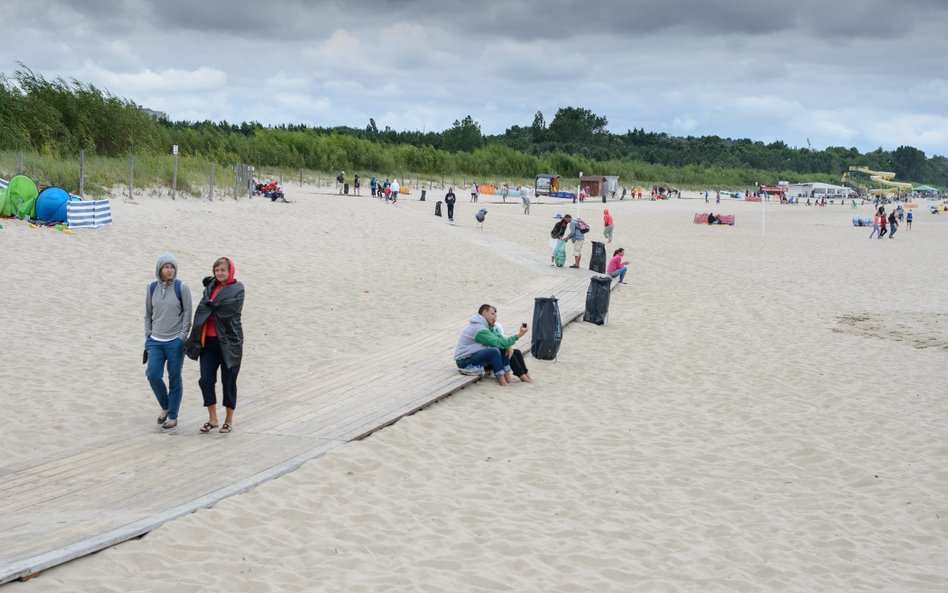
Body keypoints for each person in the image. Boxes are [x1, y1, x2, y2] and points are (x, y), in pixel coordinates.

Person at [186, 257, 245, 434]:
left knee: (228, 381)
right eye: (216, 270)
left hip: (229, 343)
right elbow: (203, 310)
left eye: (223, 270)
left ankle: (228, 420)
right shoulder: (210, 289)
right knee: (205, 380)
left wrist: (210, 307)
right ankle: (212, 419)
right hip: (208, 342)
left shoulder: (237, 290)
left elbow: (228, 311)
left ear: (230, 272)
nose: (219, 273)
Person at [145, 253, 193, 429]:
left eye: (172, 267)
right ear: (160, 269)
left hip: (175, 341)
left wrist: (182, 336)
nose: (170, 270)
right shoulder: (151, 288)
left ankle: (172, 415)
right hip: (155, 340)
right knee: (153, 375)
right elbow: (147, 314)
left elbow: (188, 313)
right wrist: (147, 335)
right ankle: (165, 406)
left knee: (174, 377)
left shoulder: (183, 287)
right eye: (166, 267)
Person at [453, 304, 528, 387]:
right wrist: (519, 335)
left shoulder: (487, 326)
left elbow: (501, 340)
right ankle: (502, 382)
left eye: (495, 315)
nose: (495, 317)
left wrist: (508, 346)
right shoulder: (479, 329)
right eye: (492, 314)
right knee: (494, 351)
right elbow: (499, 343)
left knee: (504, 349)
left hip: (475, 356)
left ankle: (508, 379)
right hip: (465, 362)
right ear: (485, 312)